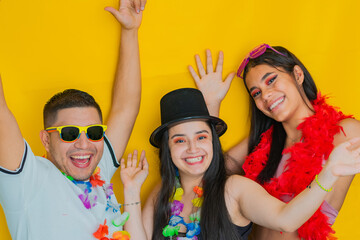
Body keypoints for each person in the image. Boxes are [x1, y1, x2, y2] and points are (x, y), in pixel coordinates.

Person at [120, 88, 360, 240]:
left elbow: (287, 219)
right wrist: (131, 190)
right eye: (180, 140)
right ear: (168, 149)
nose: (193, 148)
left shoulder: (234, 189)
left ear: (213, 142)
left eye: (201, 137)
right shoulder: (162, 194)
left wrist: (329, 173)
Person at [0, 0, 148, 239]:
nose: (84, 143)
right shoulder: (27, 180)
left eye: (94, 132)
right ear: (46, 140)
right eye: (69, 133)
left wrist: (130, 31)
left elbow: (126, 107)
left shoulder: (98, 169)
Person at [188, 45, 360, 239]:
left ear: (297, 74)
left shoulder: (345, 131)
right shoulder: (260, 143)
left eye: (271, 80)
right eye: (256, 93)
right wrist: (212, 104)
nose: (266, 95)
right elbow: (206, 176)